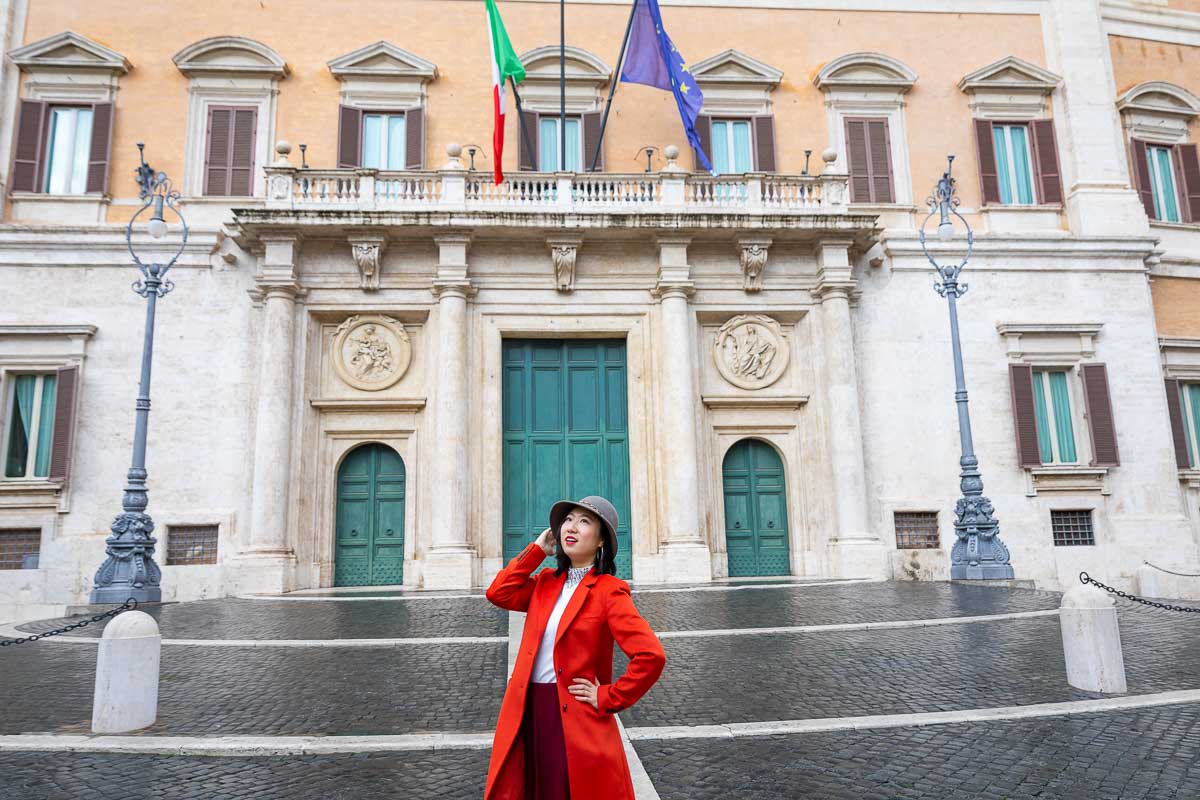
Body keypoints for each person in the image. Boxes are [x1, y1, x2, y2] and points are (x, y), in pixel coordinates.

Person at [483, 495, 667, 800]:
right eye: (568, 519)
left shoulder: (610, 592)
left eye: (585, 522)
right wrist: (537, 550)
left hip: (572, 715)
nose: (572, 526)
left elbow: (651, 656)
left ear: (600, 541)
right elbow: (498, 593)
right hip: (529, 710)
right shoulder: (545, 583)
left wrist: (607, 695)